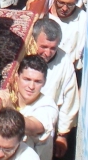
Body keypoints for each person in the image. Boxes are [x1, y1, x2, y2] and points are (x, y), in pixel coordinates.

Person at [0, 56, 58, 160]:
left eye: (37, 82)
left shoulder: (48, 107)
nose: (31, 86)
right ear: (17, 77)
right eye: (27, 79)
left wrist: (8, 108)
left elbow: (34, 127)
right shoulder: (11, 95)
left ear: (44, 83)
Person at [32, 19, 79, 159]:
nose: (47, 53)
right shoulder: (22, 54)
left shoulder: (64, 62)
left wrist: (62, 135)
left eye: (53, 48)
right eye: (44, 47)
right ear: (34, 41)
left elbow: (69, 100)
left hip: (47, 129)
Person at [48, 0, 87, 69]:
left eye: (70, 4)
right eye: (60, 3)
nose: (65, 8)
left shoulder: (83, 19)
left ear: (77, 0)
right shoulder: (42, 13)